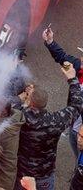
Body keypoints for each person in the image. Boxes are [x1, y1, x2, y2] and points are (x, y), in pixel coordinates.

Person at [13, 61, 83, 190]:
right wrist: (72, 79)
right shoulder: (56, 121)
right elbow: (77, 105)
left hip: (23, 174)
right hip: (44, 175)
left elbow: (4, 105)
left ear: (31, 102)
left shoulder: (19, 117)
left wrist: (24, 99)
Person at [42, 25, 83, 158]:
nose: (80, 59)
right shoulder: (78, 66)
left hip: (81, 131)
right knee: (76, 149)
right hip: (75, 127)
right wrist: (50, 42)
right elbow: (62, 57)